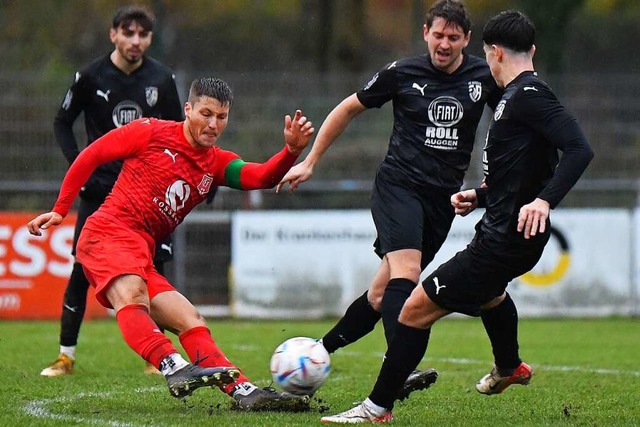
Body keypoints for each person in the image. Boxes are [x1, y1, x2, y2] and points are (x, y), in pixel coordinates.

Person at [320, 9, 594, 423]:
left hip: (502, 240)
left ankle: (376, 408)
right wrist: (481, 196)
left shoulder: (526, 96)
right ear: (532, 49)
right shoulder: (514, 98)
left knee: (412, 309)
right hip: (504, 232)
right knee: (487, 295)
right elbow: (524, 172)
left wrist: (545, 201)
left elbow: (579, 149)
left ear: (492, 52)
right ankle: (509, 366)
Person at [28, 77, 315, 410]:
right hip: (108, 233)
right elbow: (90, 156)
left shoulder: (217, 163)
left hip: (141, 250)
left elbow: (261, 177)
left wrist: (291, 151)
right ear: (188, 109)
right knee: (133, 294)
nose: (213, 124)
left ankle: (245, 393)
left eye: (222, 117)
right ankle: (173, 366)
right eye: (206, 114)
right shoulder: (149, 132)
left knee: (190, 319)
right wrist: (61, 210)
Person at [277, 0, 501, 400]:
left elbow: (510, 122)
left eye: (454, 37)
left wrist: (495, 178)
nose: (444, 44)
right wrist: (310, 161)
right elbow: (347, 108)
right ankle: (400, 369)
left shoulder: (485, 77)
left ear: (467, 40)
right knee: (407, 271)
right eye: (438, 35)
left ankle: (315, 353)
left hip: (442, 201)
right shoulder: (403, 73)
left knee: (382, 294)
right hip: (398, 186)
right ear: (425, 34)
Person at [42, 5, 183, 378]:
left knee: (155, 271)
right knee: (80, 269)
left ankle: (158, 358)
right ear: (113, 35)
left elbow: (180, 133)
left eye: (143, 35)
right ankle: (65, 356)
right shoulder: (90, 76)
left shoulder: (162, 79)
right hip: (101, 191)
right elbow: (62, 122)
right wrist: (80, 168)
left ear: (150, 39)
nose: (135, 41)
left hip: (149, 193)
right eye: (128, 33)